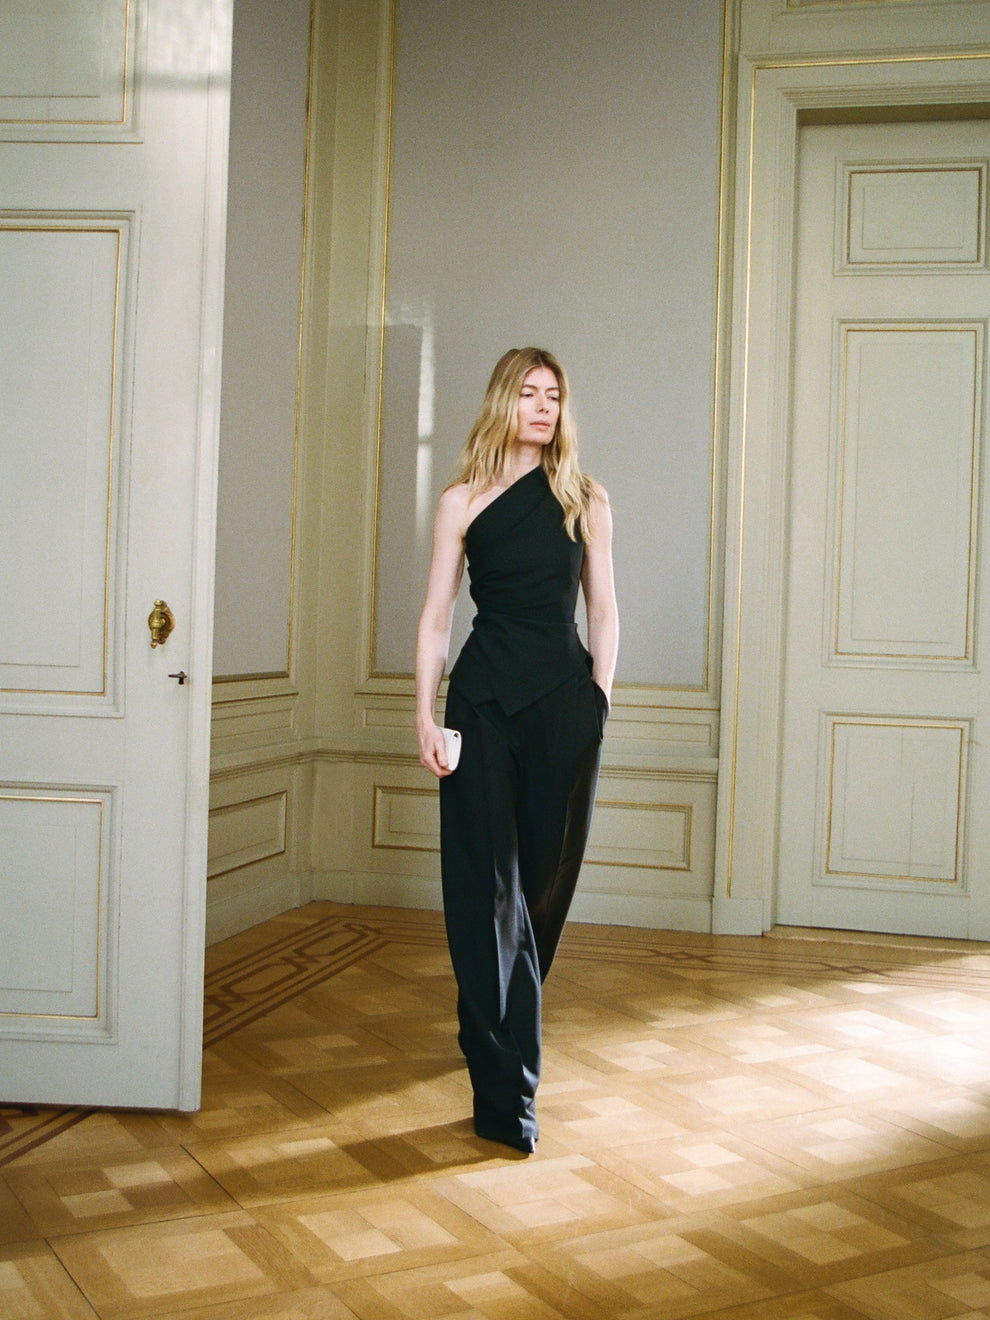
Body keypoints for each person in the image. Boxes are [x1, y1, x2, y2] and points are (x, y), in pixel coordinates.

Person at [415, 346, 619, 1154]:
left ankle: (491, 1033)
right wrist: (422, 716)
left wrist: (599, 699)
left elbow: (604, 610)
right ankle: (508, 1093)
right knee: (484, 890)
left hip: (564, 709)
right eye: (530, 394)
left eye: (555, 396)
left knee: (540, 891)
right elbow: (436, 616)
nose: (544, 407)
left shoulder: (586, 500)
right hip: (483, 706)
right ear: (504, 400)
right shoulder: (461, 502)